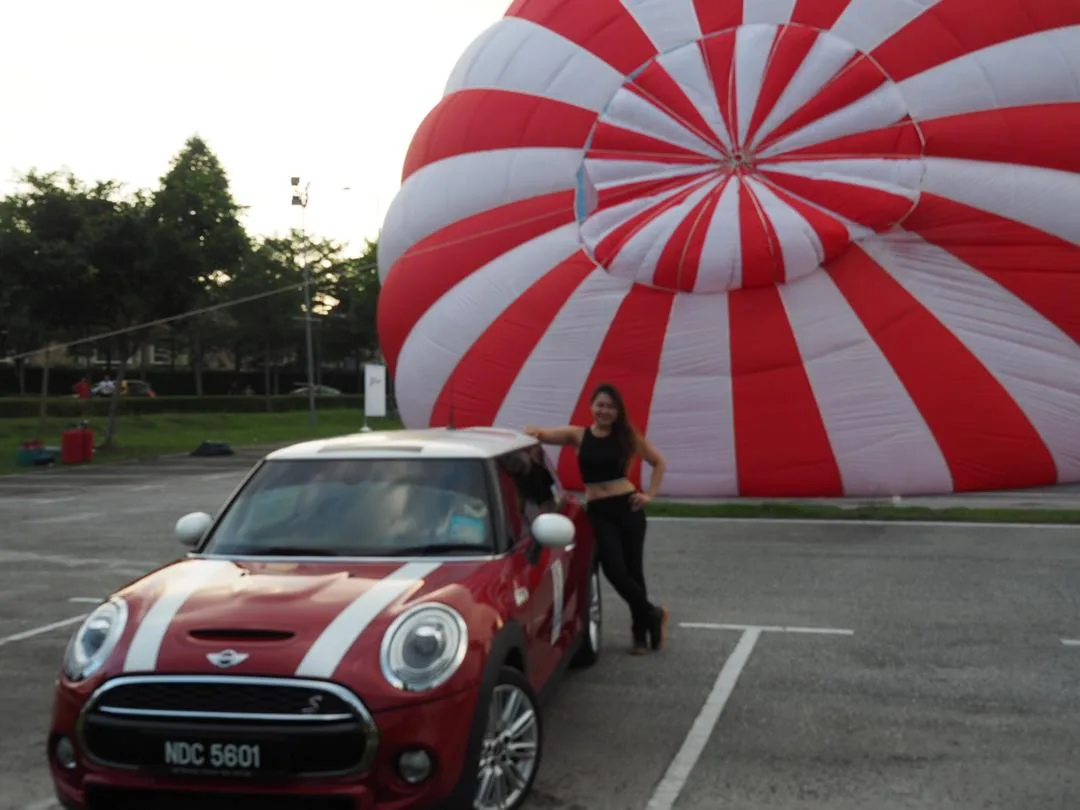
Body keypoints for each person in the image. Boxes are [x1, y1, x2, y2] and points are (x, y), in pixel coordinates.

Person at [524, 383, 669, 655]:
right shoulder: (578, 435)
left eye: (610, 407)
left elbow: (658, 462)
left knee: (634, 571)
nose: (604, 411)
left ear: (618, 411)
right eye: (600, 405)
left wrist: (649, 494)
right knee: (614, 571)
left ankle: (640, 634)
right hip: (599, 511)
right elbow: (543, 434)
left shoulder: (626, 436)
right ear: (591, 407)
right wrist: (532, 432)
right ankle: (653, 613)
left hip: (628, 508)